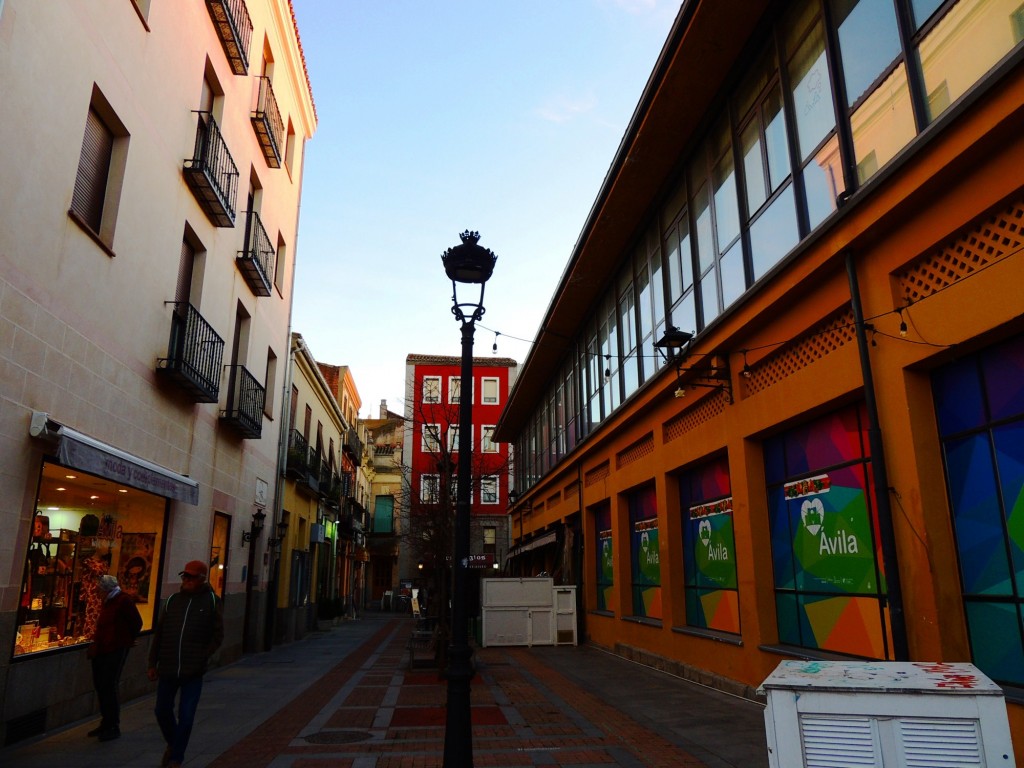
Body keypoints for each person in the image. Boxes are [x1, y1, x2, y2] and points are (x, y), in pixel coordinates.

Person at [147, 560, 223, 768]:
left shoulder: (211, 601)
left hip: (193, 670)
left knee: (187, 716)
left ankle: (175, 759)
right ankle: (175, 744)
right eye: (185, 576)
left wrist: (202, 655)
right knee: (161, 711)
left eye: (191, 577)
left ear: (201, 579)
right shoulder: (173, 601)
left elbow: (218, 635)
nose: (186, 580)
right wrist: (152, 662)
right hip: (169, 667)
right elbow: (160, 634)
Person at [86, 574, 142, 741]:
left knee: (109, 685)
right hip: (101, 649)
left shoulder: (123, 600)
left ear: (106, 589)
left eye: (100, 590)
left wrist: (126, 640)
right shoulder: (108, 601)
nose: (98, 593)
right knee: (101, 685)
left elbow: (136, 623)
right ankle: (106, 721)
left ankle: (113, 725)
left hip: (115, 649)